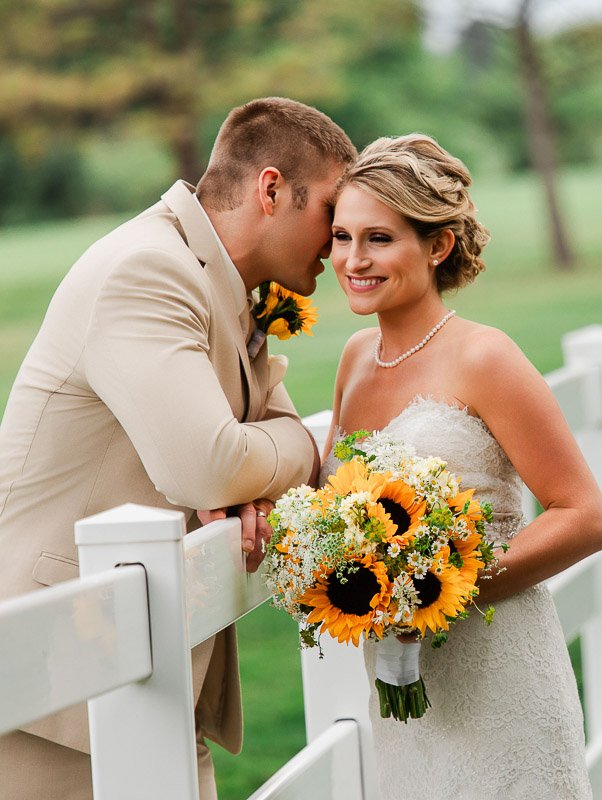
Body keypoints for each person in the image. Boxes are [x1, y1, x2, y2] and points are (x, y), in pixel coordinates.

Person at [0, 97, 356, 800]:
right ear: (273, 189)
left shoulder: (226, 282)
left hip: (136, 660)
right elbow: (208, 464)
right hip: (55, 678)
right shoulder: (148, 270)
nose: (342, 236)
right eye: (334, 213)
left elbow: (263, 441)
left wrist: (266, 461)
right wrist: (279, 459)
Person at [325, 134, 602, 799]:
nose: (353, 260)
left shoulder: (485, 357)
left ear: (437, 245)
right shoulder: (354, 359)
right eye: (341, 237)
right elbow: (330, 498)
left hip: (499, 677)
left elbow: (586, 517)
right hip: (403, 699)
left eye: (378, 239)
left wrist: (440, 590)